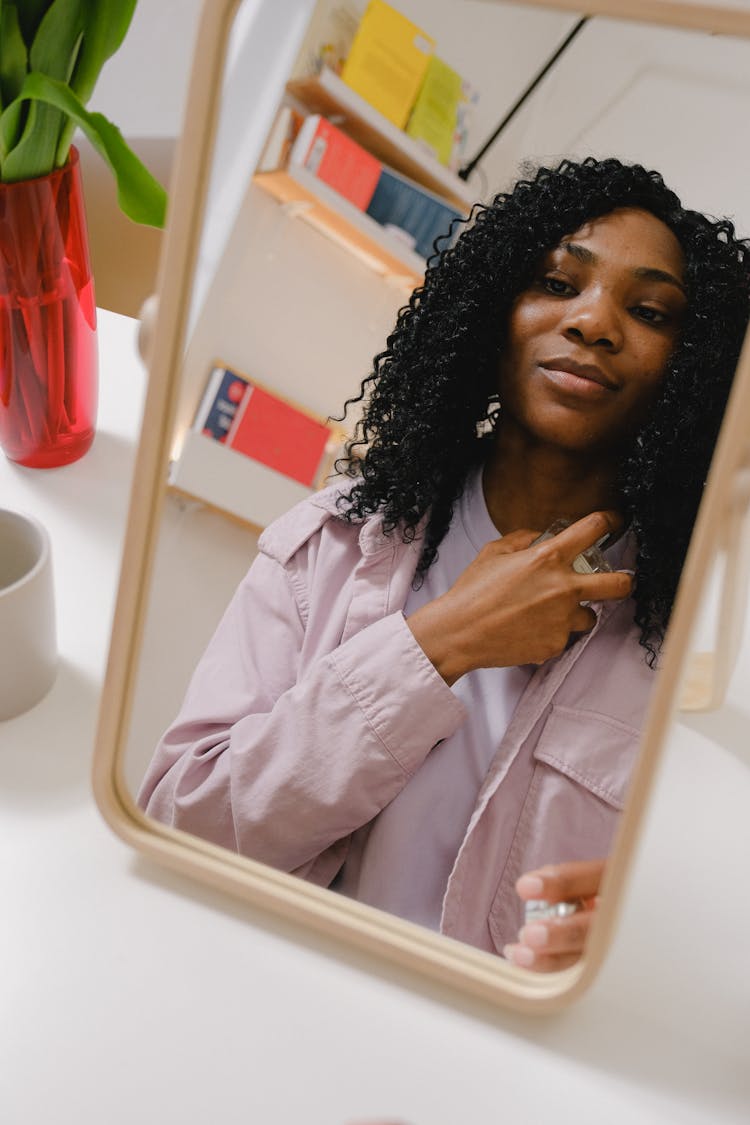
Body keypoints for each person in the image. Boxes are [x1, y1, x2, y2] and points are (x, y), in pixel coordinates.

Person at [138, 157, 750, 972]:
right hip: (281, 1018)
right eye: (557, 282)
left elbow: (707, 922)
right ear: (490, 317)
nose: (594, 322)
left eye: (647, 311)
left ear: (692, 374)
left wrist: (644, 939)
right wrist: (436, 645)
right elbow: (183, 824)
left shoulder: (704, 639)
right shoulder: (329, 545)